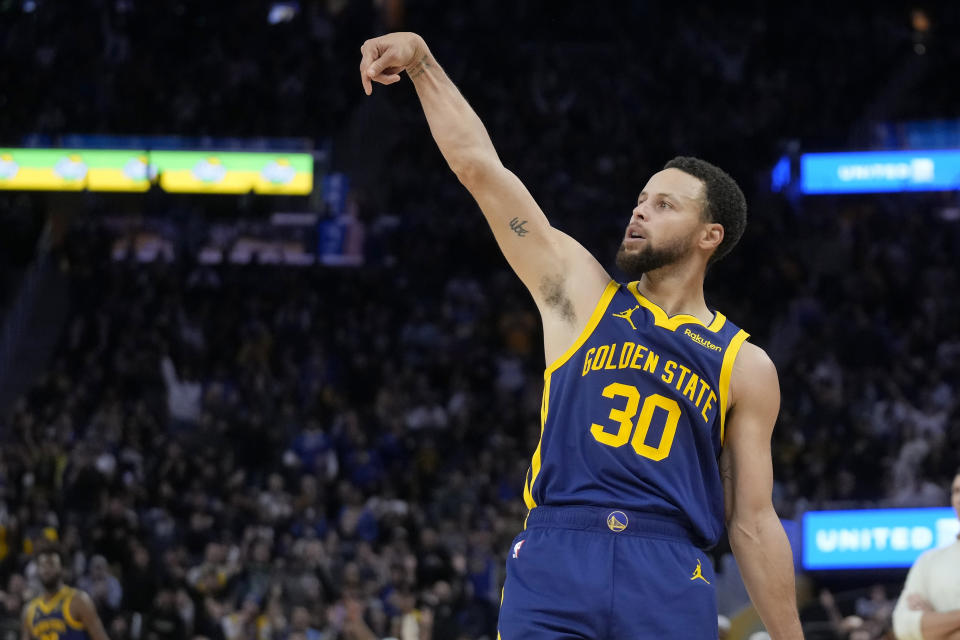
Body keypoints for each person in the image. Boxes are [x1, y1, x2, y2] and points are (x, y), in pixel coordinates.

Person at [359, 32, 803, 639]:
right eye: (642, 199)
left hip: (669, 566)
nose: (640, 210)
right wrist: (423, 64)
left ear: (710, 236)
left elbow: (753, 521)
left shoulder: (744, 365)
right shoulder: (580, 294)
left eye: (665, 205)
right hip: (559, 548)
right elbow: (481, 171)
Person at [892, 470, 960, 640]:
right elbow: (903, 627)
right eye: (957, 491)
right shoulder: (928, 561)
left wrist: (936, 619)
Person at [21, 543, 110, 640]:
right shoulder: (29, 610)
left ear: (62, 568)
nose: (46, 569)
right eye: (42, 565)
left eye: (51, 564)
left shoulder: (79, 600)